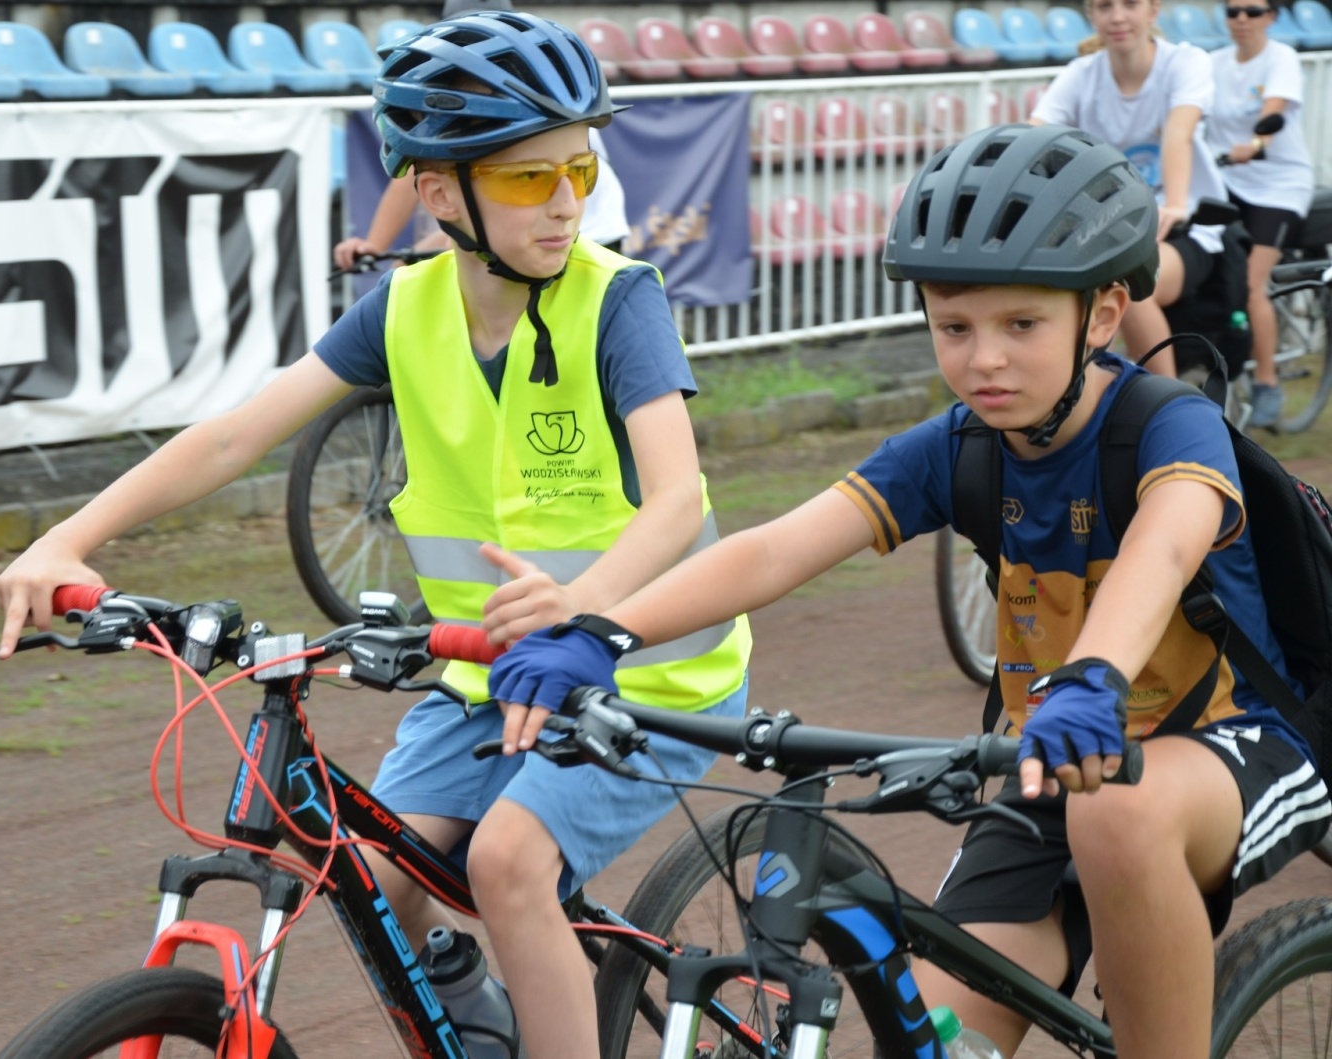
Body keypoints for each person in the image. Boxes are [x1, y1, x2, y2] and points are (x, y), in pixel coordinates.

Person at [0, 12, 751, 1059]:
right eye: (531, 178)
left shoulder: (616, 301)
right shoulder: (403, 310)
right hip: (485, 677)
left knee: (509, 863)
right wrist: (64, 540)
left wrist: (588, 609)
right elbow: (233, 437)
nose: (569, 199)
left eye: (579, 165)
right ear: (440, 193)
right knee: (374, 877)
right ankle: (476, 1013)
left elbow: (675, 499)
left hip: (650, 675)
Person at [487, 123, 1330, 1059]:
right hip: (1047, 764)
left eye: (1022, 325)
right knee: (930, 1045)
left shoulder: (1169, 426)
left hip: (1228, 740)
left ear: (1101, 316)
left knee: (1117, 808)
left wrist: (1091, 676)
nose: (984, 361)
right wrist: (604, 630)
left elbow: (1164, 551)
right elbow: (773, 550)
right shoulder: (960, 446)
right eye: (953, 327)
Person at [332, 0, 630, 271]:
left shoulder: (528, 104)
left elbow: (424, 174)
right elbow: (430, 174)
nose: (567, 207)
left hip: (588, 239)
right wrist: (380, 248)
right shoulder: (536, 90)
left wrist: (383, 249)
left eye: (582, 172)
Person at [1030, 0, 1233, 377]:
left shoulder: (1185, 63)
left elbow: (1179, 131)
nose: (1117, 16)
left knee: (1128, 283)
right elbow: (1035, 133)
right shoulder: (1082, 74)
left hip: (1183, 228)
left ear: (1153, 11)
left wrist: (1173, 203)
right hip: (1105, 229)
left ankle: (1169, 411)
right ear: (1091, 15)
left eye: (1130, 4)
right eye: (1104, 6)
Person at [1205, 0, 1315, 428]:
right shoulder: (1213, 63)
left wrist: (1256, 141)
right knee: (1203, 268)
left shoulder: (1280, 58)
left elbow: (1275, 111)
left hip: (1279, 184)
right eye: (1233, 11)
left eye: (1253, 10)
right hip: (1227, 182)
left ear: (1271, 16)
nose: (1242, 19)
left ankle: (1267, 383)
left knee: (1251, 284)